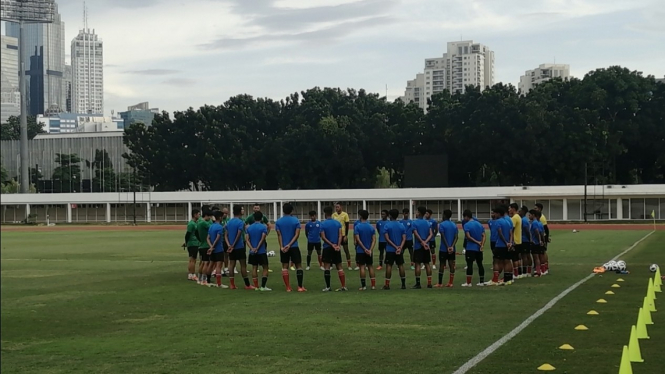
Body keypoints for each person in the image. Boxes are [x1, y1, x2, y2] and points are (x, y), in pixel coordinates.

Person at [275, 203, 306, 292]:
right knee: (298, 266)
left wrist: (282, 246)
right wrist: (290, 244)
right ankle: (300, 287)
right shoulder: (295, 220)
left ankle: (288, 287)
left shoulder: (278, 221)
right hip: (294, 246)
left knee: (285, 266)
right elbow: (297, 234)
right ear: (292, 210)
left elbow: (279, 235)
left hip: (283, 247)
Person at [225, 206, 255, 290]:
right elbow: (238, 235)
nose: (243, 210)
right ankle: (247, 284)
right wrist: (233, 245)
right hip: (239, 247)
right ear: (239, 212)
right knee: (243, 265)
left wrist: (229, 245)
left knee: (231, 264)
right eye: (242, 209)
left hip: (231, 246)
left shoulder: (229, 222)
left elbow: (226, 235)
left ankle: (232, 284)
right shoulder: (240, 222)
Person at [320, 206, 346, 292]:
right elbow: (340, 236)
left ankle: (328, 287)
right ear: (331, 213)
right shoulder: (337, 223)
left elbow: (323, 237)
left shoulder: (322, 224)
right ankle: (343, 286)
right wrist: (337, 245)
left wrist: (331, 244)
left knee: (327, 267)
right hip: (336, 248)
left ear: (325, 214)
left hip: (327, 247)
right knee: (339, 266)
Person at [246, 211, 271, 291]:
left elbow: (247, 239)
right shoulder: (263, 227)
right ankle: (263, 286)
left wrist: (252, 248)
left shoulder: (249, 227)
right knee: (265, 267)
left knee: (254, 267)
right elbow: (262, 238)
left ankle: (256, 286)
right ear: (262, 218)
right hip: (261, 251)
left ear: (253, 218)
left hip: (252, 251)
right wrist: (257, 247)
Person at [383, 209, 407, 290]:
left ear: (390, 215)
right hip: (399, 249)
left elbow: (387, 239)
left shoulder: (387, 225)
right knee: (400, 265)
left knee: (389, 265)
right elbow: (404, 238)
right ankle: (403, 284)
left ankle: (387, 284)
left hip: (390, 249)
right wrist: (400, 247)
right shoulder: (401, 225)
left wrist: (395, 247)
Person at [462, 210, 486, 287]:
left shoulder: (467, 225)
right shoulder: (479, 224)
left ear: (466, 216)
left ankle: (469, 283)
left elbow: (468, 237)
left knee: (470, 265)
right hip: (479, 248)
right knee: (480, 264)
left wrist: (476, 242)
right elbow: (483, 235)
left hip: (470, 248)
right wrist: (481, 244)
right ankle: (481, 281)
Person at [354, 210, 376, 290]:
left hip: (361, 250)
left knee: (362, 267)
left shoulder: (357, 227)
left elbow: (358, 240)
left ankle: (363, 286)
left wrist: (364, 249)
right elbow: (374, 240)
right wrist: (370, 249)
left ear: (360, 216)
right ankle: (373, 285)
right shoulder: (371, 227)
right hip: (369, 251)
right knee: (370, 266)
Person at [411, 206, 433, 288]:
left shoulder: (414, 222)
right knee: (427, 264)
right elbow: (431, 234)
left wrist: (422, 242)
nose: (415, 213)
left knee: (417, 264)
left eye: (416, 212)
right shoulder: (428, 222)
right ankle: (429, 283)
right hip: (427, 246)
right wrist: (426, 242)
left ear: (419, 213)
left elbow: (416, 234)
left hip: (418, 246)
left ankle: (418, 283)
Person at [206, 211, 228, 288]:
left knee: (211, 264)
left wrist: (211, 247)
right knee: (218, 266)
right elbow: (218, 238)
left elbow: (208, 238)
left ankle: (208, 281)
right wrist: (213, 246)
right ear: (220, 217)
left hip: (212, 249)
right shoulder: (219, 227)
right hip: (218, 249)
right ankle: (219, 283)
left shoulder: (211, 226)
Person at [492, 206, 514, 285]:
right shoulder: (507, 221)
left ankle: (495, 280)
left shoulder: (498, 221)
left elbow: (500, 232)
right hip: (507, 245)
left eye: (494, 213)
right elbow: (511, 232)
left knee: (496, 262)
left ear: (498, 213)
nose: (494, 215)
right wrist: (510, 242)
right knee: (507, 261)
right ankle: (508, 279)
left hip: (500, 245)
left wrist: (505, 242)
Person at [437, 209, 458, 288]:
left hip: (443, 248)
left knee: (442, 265)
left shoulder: (442, 224)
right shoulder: (454, 224)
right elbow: (456, 237)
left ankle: (440, 283)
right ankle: (451, 282)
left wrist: (447, 247)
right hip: (452, 249)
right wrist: (452, 246)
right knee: (451, 264)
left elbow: (443, 236)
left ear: (444, 215)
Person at [332, 203, 355, 271]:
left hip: (343, 235)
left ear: (341, 207)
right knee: (335, 250)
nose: (337, 208)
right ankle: (334, 264)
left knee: (346, 250)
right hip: (336, 235)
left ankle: (349, 265)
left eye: (338, 207)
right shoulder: (333, 215)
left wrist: (346, 235)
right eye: (336, 207)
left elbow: (347, 225)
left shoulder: (345, 214)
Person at [196, 209, 213, 285]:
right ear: (206, 215)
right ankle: (204, 279)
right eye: (209, 216)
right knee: (206, 263)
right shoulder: (204, 223)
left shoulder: (199, 222)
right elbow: (212, 227)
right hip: (206, 245)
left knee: (202, 262)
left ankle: (199, 279)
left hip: (201, 244)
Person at [183, 209, 200, 281]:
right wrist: (186, 242)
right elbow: (187, 234)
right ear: (195, 215)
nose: (199, 215)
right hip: (193, 243)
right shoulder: (191, 224)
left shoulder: (195, 223)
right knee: (193, 260)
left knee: (191, 259)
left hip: (194, 243)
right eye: (198, 214)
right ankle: (192, 274)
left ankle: (190, 274)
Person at [534, 203, 550, 275]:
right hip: (542, 237)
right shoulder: (540, 217)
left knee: (542, 252)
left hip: (542, 237)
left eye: (536, 208)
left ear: (539, 209)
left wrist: (545, 238)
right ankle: (544, 267)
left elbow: (545, 229)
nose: (534, 209)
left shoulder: (541, 218)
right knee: (542, 252)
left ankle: (544, 267)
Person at [509, 203, 523, 279]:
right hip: (519, 240)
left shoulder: (514, 218)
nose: (509, 210)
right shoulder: (519, 217)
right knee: (518, 257)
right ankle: (519, 273)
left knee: (514, 258)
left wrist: (512, 241)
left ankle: (516, 274)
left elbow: (512, 230)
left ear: (513, 209)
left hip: (515, 240)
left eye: (510, 208)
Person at [528, 209, 545, 277]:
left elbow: (536, 231)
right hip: (538, 242)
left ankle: (537, 271)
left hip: (535, 242)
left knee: (536, 257)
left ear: (533, 215)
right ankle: (540, 270)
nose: (529, 216)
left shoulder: (534, 223)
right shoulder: (539, 223)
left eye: (530, 215)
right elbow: (541, 232)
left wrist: (539, 240)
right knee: (539, 256)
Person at [520, 206, 532, 277]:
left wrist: (529, 239)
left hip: (524, 240)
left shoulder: (523, 220)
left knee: (524, 256)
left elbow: (527, 230)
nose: (519, 212)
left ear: (523, 211)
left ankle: (525, 272)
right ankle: (528, 271)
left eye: (520, 211)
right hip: (525, 240)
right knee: (527, 255)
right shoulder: (525, 219)